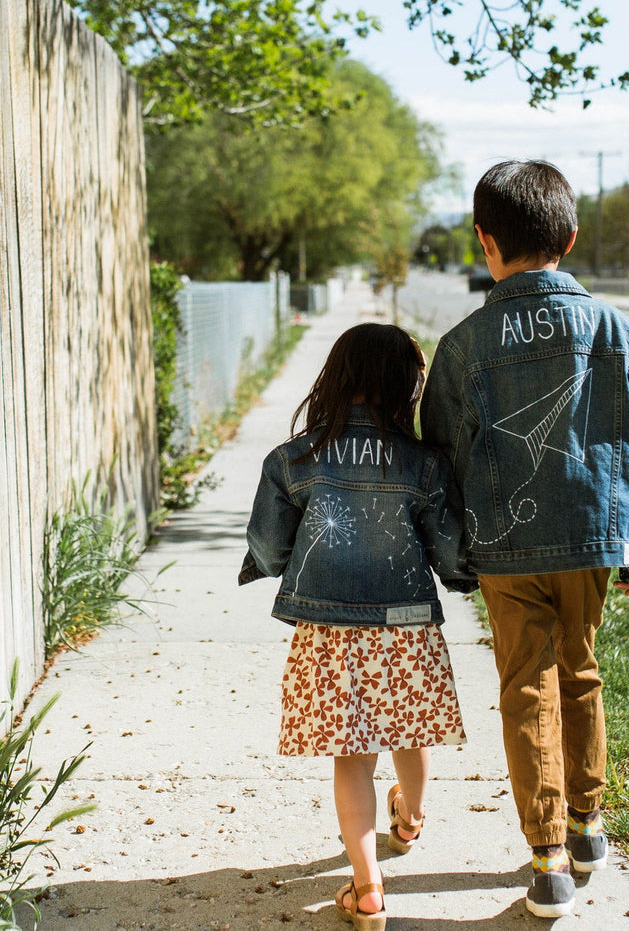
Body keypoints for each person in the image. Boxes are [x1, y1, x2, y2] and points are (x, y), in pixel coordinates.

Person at [419, 160, 629, 918]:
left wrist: (452, 553)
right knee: (580, 670)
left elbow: (441, 456)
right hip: (594, 535)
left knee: (524, 683)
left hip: (503, 542)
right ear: (569, 236)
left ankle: (547, 858)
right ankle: (587, 824)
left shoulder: (462, 345)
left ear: (482, 241)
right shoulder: (614, 330)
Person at [240, 323, 475, 931]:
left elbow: (267, 545)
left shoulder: (295, 457)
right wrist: (460, 579)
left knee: (351, 756)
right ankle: (411, 819)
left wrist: (281, 570)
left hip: (328, 632)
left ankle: (368, 889)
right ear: (405, 385)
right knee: (409, 732)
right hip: (405, 626)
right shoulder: (425, 465)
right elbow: (450, 555)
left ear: (336, 378)